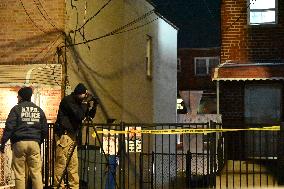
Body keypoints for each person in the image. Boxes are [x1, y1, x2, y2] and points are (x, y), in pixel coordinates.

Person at [0, 86, 48, 189]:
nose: (17, 98)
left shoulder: (16, 109)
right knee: (36, 173)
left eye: (18, 96)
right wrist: (39, 141)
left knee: (20, 174)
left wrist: (3, 142)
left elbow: (9, 127)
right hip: (34, 143)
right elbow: (45, 129)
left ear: (21, 97)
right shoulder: (39, 110)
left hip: (19, 143)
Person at [54, 83, 98, 189]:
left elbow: (89, 116)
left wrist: (94, 106)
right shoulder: (68, 101)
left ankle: (74, 187)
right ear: (79, 94)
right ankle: (58, 186)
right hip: (64, 136)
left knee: (73, 165)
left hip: (72, 136)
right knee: (61, 164)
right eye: (84, 95)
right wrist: (85, 103)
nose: (86, 97)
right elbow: (79, 116)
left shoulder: (80, 103)